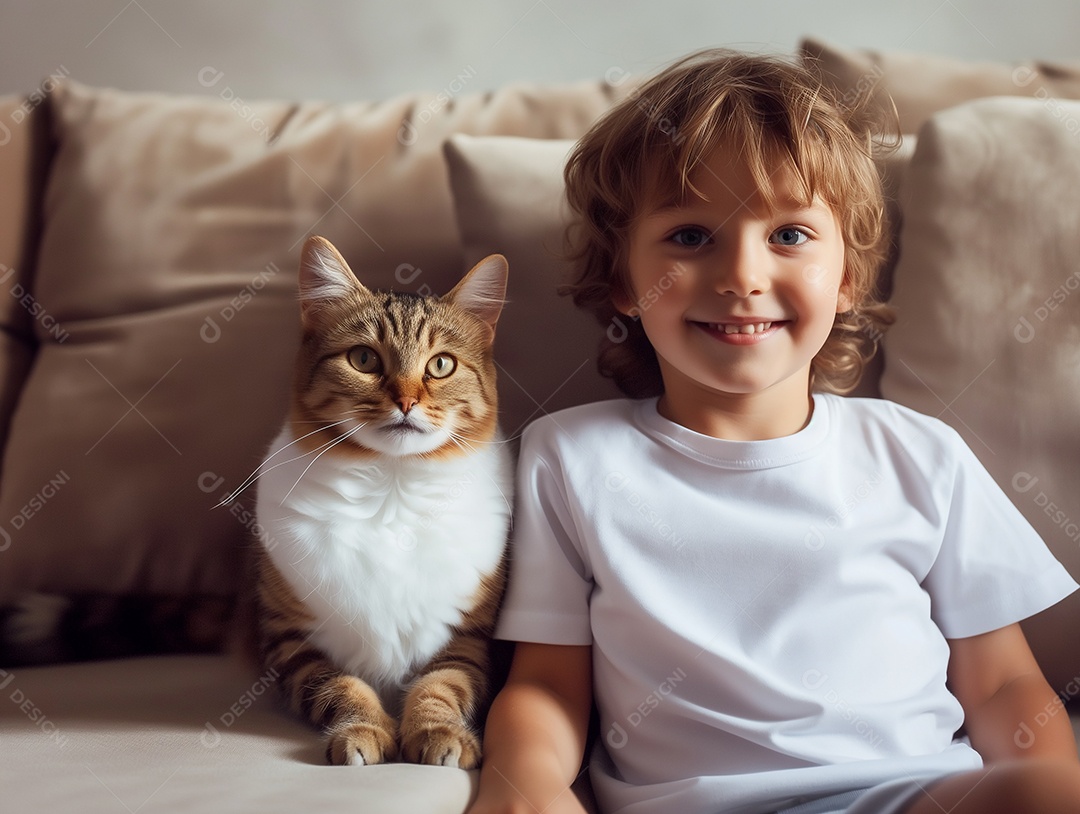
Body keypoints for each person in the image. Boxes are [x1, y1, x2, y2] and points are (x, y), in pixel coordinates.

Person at [467, 49, 1080, 814]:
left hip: (913, 795)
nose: (741, 276)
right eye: (691, 237)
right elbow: (548, 685)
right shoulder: (570, 456)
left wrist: (1050, 782)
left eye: (789, 236)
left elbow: (1005, 681)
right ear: (624, 279)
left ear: (847, 275)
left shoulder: (919, 453)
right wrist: (520, 785)